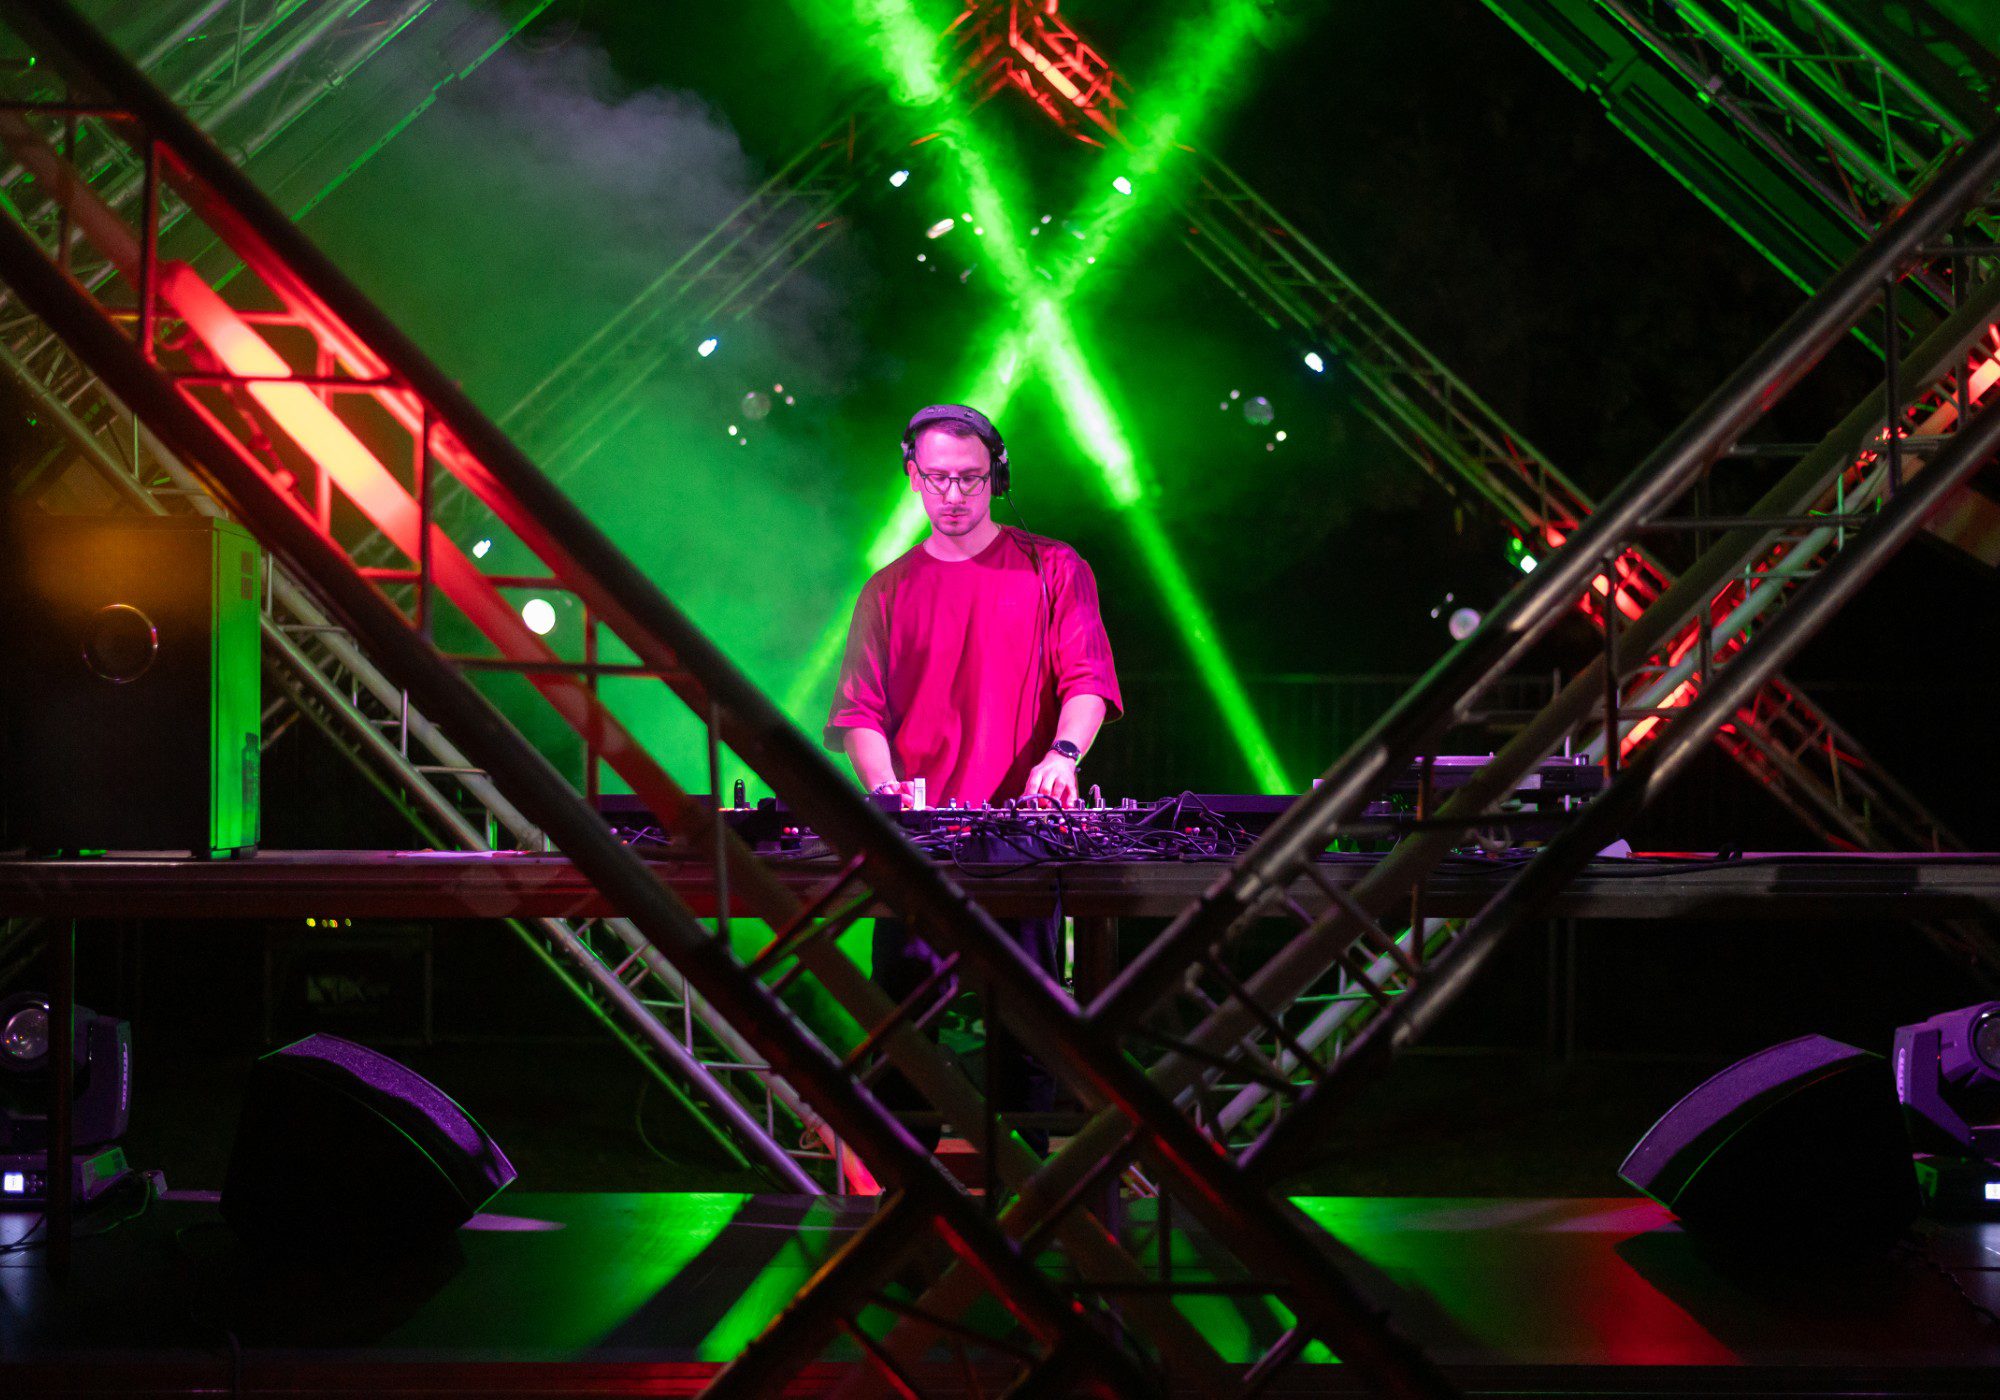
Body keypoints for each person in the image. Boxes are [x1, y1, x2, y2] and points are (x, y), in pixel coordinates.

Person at [824, 403, 1122, 1152]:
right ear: (912, 477)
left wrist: (1062, 756)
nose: (953, 494)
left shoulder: (1056, 568)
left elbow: (1088, 681)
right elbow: (859, 714)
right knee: (904, 1042)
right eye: (938, 478)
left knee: (1026, 1039)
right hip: (918, 849)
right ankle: (908, 1202)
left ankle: (1035, 1204)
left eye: (971, 478)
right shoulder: (886, 590)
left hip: (1021, 843)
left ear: (998, 477)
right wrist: (887, 791)